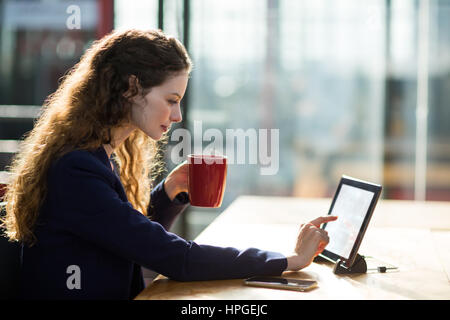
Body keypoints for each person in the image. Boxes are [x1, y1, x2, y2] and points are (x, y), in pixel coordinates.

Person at [1, 29, 337, 300]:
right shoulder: (77, 170)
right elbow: (175, 258)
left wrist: (168, 194)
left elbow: (125, 238)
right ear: (132, 88)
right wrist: (290, 261)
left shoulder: (97, 156)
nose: (176, 116)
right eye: (171, 100)